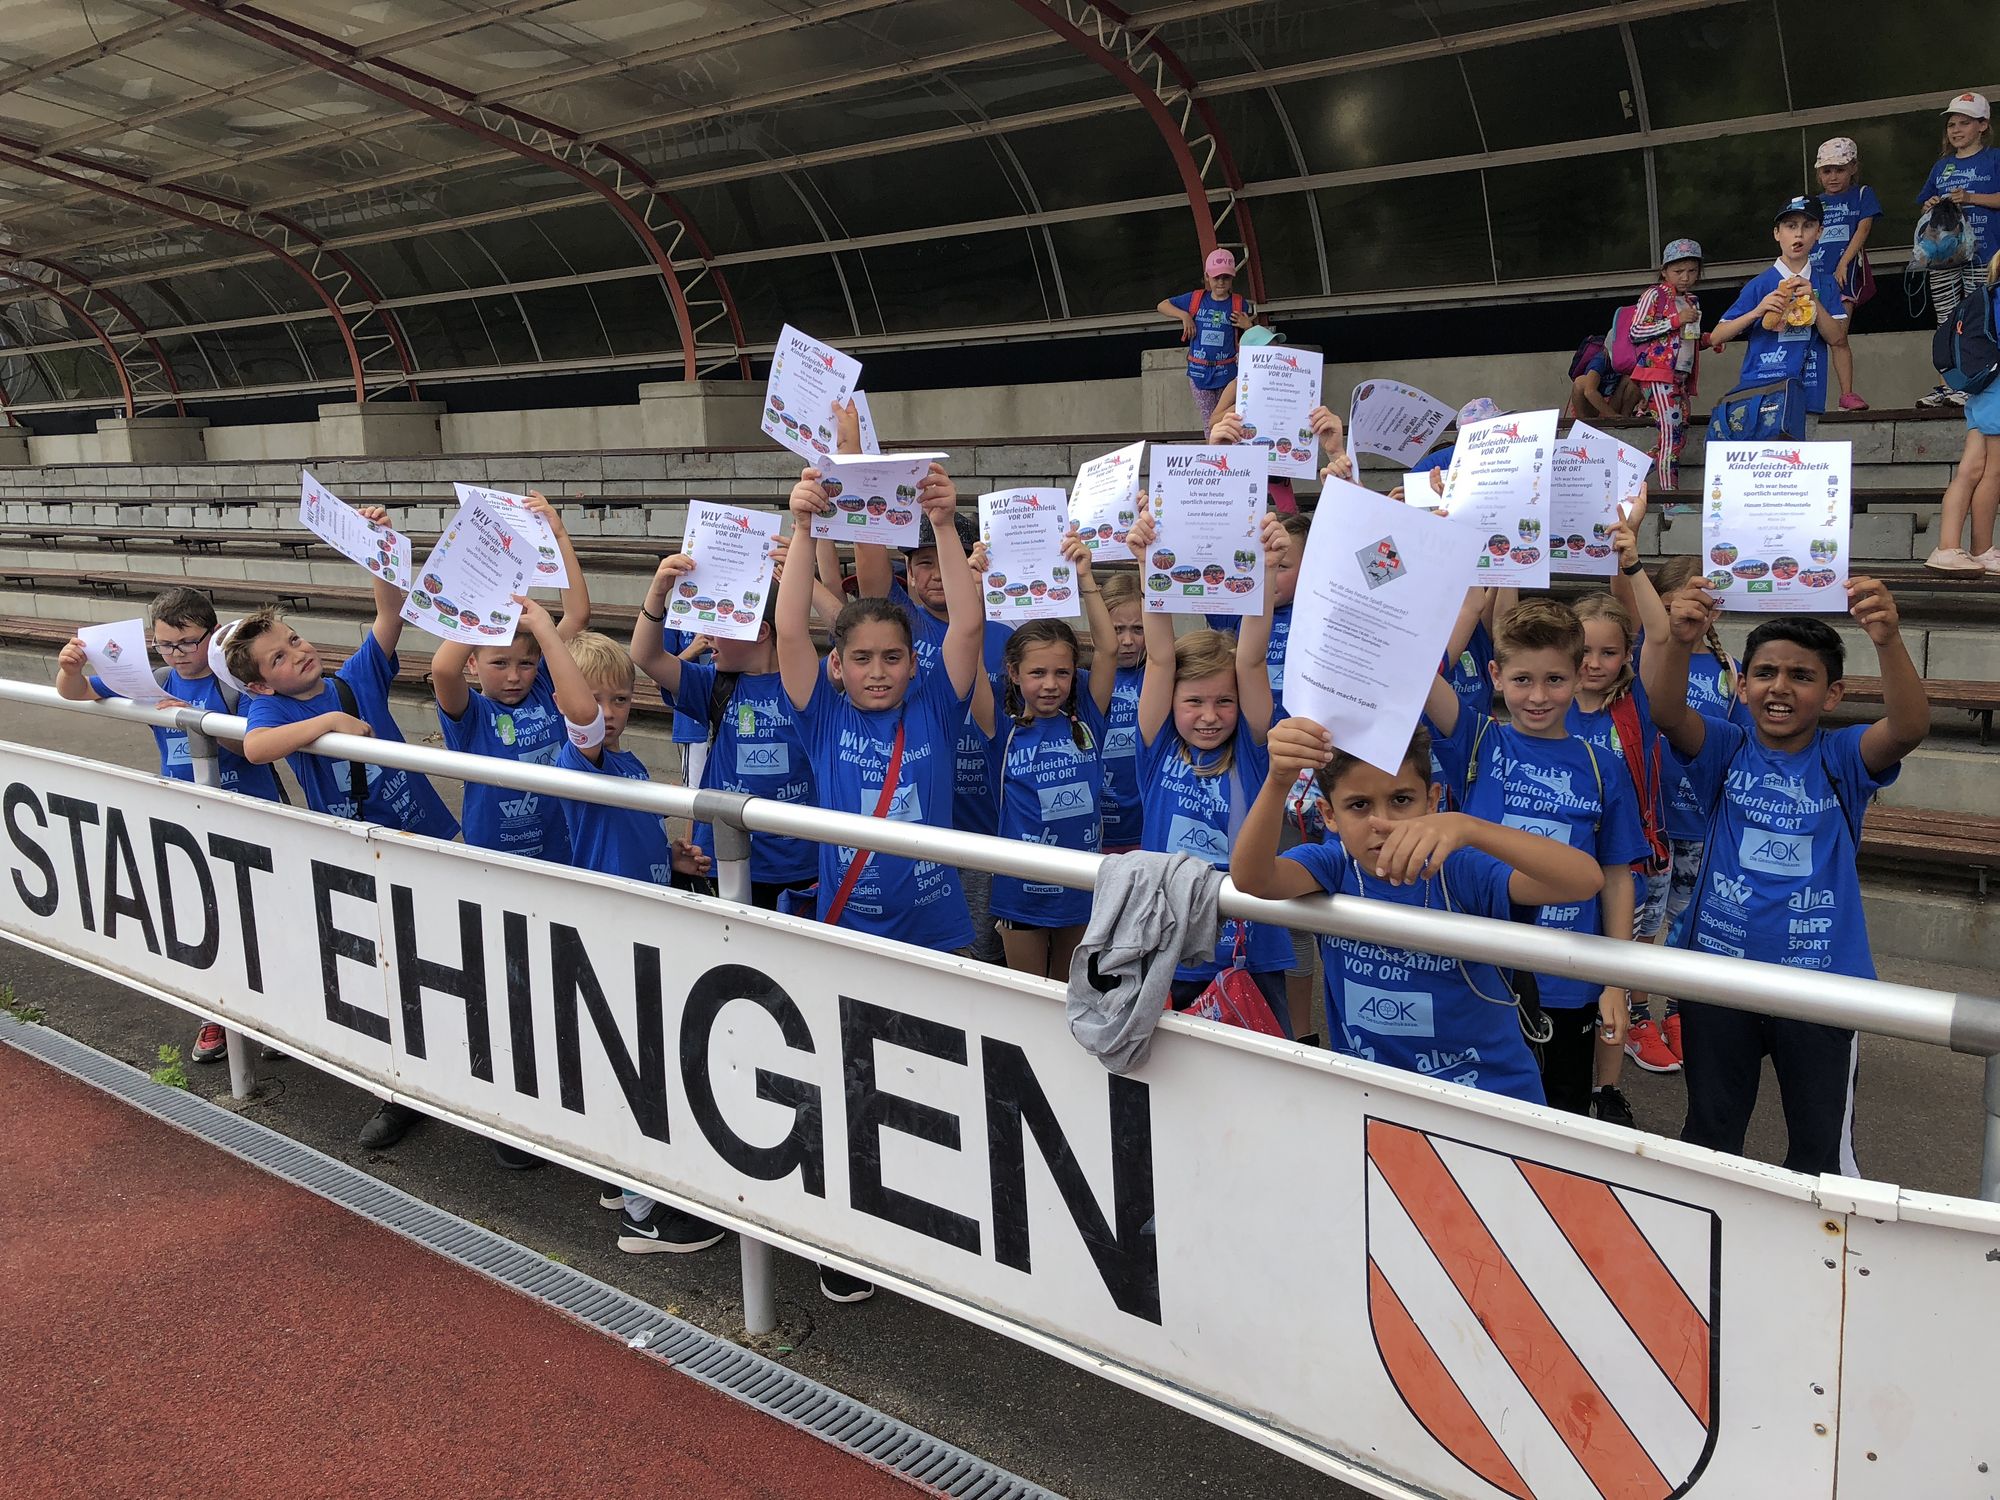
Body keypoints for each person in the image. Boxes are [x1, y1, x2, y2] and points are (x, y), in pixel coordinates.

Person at [1642, 578, 1929, 1176]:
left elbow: (1906, 729)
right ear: (1742, 685)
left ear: (1832, 694)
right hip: (1719, 975)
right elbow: (1666, 712)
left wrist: (1887, 638)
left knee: (1818, 1155)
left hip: (1820, 984)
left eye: (1802, 676)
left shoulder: (1842, 757)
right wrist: (1679, 640)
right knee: (1710, 1135)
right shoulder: (1725, 747)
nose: (1780, 687)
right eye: (1765, 672)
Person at [229, 509, 460, 1149]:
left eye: (295, 639)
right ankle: (399, 1090)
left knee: (450, 960)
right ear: (259, 684)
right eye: (279, 656)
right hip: (357, 856)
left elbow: (389, 615)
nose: (298, 652)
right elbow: (256, 748)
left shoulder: (353, 679)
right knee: (385, 970)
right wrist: (328, 726)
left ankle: (469, 1085)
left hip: (424, 839)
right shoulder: (273, 710)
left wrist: (377, 549)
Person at [1233, 720, 1604, 1102]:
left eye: (1401, 800)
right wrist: (1278, 780)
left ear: (1432, 801)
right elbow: (1252, 879)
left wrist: (1469, 827)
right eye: (1359, 805)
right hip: (1377, 1097)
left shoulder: (1460, 871)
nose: (1383, 823)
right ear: (1328, 814)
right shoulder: (1335, 866)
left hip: (1488, 1097)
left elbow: (1583, 880)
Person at [528, 609, 723, 1259]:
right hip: (612, 937)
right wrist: (545, 630)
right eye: (594, 699)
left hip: (644, 928)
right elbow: (582, 720)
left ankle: (623, 1180)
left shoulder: (628, 764)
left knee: (643, 1061)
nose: (607, 713)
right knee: (636, 1070)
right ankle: (645, 1214)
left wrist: (671, 858)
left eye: (618, 699)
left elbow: (626, 835)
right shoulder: (577, 759)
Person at [1424, 596, 1649, 1118]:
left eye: (1555, 679)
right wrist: (1465, 604)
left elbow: (1617, 878)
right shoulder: (1478, 741)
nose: (1539, 696)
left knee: (1558, 1115)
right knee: (1475, 1112)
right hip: (1481, 969)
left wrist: (1616, 980)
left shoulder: (1603, 767)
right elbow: (1419, 675)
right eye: (1522, 679)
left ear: (1579, 675)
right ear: (1496, 676)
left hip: (1567, 977)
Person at [55, 586, 285, 1067]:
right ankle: (215, 1014)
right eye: (165, 644)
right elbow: (77, 692)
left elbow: (254, 746)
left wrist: (198, 722)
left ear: (211, 635)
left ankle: (274, 1017)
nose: (177, 654)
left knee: (263, 919)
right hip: (184, 822)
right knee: (202, 920)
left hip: (248, 817)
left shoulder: (235, 682)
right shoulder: (154, 680)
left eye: (187, 642)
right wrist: (70, 669)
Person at [779, 462, 980, 956]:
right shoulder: (823, 718)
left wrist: (942, 524)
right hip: (848, 933)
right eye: (861, 658)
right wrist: (803, 530)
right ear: (837, 664)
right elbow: (789, 632)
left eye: (892, 658)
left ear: (914, 663)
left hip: (935, 933)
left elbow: (968, 626)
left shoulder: (937, 707)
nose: (877, 672)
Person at [1124, 503, 1296, 1032]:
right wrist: (1149, 564)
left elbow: (1250, 659)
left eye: (1224, 702)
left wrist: (1265, 568)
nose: (1209, 716)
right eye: (1193, 701)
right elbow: (1160, 658)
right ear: (1172, 703)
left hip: (1248, 950)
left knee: (1262, 1077)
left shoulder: (1251, 750)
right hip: (1168, 947)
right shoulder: (1157, 748)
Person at [854, 510, 1011, 964]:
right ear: (906, 571)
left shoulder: (1006, 634)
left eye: (947, 560)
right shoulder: (901, 627)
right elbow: (868, 560)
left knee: (979, 964)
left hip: (986, 829)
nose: (938, 573)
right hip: (916, 828)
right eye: (923, 562)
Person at [630, 548, 820, 912]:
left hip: (800, 863)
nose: (707, 636)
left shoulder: (806, 685)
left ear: (761, 631)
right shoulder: (712, 684)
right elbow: (646, 657)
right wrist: (657, 592)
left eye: (721, 625)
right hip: (726, 858)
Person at [1630, 555, 1752, 1072]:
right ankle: (1636, 1015)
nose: (1688, 612)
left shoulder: (1731, 670)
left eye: (1702, 601)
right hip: (1654, 821)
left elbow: (1742, 741)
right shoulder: (1642, 655)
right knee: (1644, 923)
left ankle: (1679, 1010)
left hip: (1703, 821)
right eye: (1671, 604)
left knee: (1688, 922)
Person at [431, 491, 590, 869]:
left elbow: (577, 616)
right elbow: (443, 669)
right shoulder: (470, 714)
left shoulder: (543, 686)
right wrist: (489, 604)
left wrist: (559, 537)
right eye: (499, 663)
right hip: (495, 861)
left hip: (561, 849)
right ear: (472, 663)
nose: (515, 676)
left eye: (526, 664)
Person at [986, 534, 1117, 979]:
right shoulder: (1000, 728)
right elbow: (965, 644)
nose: (1050, 684)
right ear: (1013, 672)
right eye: (1037, 672)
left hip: (1080, 884)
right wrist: (974, 582)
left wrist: (1086, 579)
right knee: (1027, 998)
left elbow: (1108, 649)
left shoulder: (1088, 717)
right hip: (1020, 889)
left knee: (1069, 993)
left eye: (1062, 672)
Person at [1707, 196, 1850, 433]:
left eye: (1808, 226)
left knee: (1800, 455)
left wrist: (1813, 301)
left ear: (1819, 232)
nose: (1799, 234)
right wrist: (1757, 311)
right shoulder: (1759, 284)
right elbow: (1716, 336)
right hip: (1759, 393)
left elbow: (1838, 339)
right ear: (1777, 233)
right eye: (1790, 226)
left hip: (1807, 393)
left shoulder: (1825, 284)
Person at [1917, 92, 2000, 409]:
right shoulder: (1942, 166)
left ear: (1983, 125)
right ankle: (1948, 385)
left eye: (1964, 123)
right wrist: (1930, 205)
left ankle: (1975, 381)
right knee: (1946, 321)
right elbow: (1925, 204)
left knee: (1979, 321)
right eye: (1952, 124)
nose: (1956, 130)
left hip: (1985, 255)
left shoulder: (1994, 158)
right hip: (1945, 256)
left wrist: (1971, 197)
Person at [1924, 250, 2000, 574]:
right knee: (1994, 472)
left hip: (1982, 392)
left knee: (1971, 470)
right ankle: (1981, 549)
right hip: (1997, 392)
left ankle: (1948, 546)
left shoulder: (1990, 296)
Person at [1810, 137, 1881, 411]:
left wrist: (1843, 263)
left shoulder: (1862, 194)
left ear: (1853, 168)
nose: (1833, 177)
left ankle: (1847, 394)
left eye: (1839, 170)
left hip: (1843, 277)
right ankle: (1802, 395)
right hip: (1812, 276)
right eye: (1826, 171)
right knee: (1803, 336)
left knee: (1839, 335)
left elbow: (1863, 229)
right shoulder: (1813, 203)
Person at [1627, 238, 1703, 490]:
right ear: (1664, 271)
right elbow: (1636, 331)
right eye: (1678, 271)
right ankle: (1670, 498)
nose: (1685, 277)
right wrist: (1675, 320)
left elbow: (1685, 338)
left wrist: (1709, 340)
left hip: (1681, 377)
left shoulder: (1692, 300)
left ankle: (1628, 478)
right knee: (1671, 435)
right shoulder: (1655, 294)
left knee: (1675, 437)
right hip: (1657, 374)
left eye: (1692, 271)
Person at [1157, 248, 1253, 432]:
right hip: (1199, 372)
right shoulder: (1195, 299)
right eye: (1216, 277)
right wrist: (1184, 315)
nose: (1221, 282)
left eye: (1226, 277)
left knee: (1231, 420)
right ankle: (1212, 450)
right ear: (1207, 277)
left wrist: (1247, 325)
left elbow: (1250, 340)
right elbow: (1162, 305)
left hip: (1228, 372)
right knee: (1209, 422)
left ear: (1232, 278)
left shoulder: (1239, 303)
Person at [1094, 571, 1147, 853]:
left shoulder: (1161, 677)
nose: (1127, 640)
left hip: (1145, 826)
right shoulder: (1086, 680)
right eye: (1117, 629)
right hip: (1099, 829)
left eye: (1138, 629)